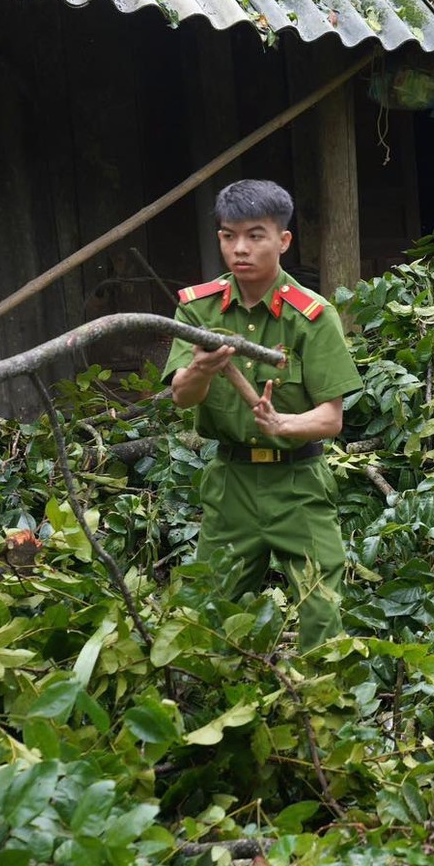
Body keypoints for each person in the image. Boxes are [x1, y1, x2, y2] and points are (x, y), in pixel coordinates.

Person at [162, 179, 361, 649]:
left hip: (299, 483)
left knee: (321, 604)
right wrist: (201, 370)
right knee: (209, 605)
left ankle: (322, 702)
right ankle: (212, 699)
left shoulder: (312, 316)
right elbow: (181, 397)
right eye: (229, 236)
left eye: (255, 235)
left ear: (283, 240)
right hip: (230, 483)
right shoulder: (197, 308)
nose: (240, 249)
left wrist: (284, 424)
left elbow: (331, 420)